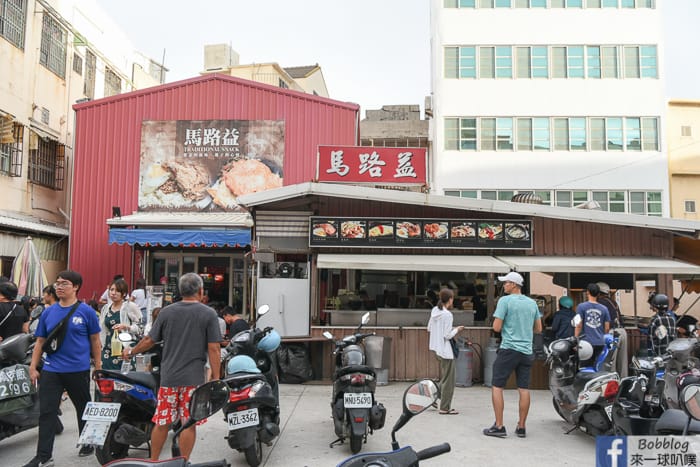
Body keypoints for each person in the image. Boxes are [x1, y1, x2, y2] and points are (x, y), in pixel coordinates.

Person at [122, 272, 221, 461]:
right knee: (188, 422)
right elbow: (214, 348)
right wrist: (216, 378)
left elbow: (150, 340)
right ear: (201, 291)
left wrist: (132, 351)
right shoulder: (208, 313)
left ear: (180, 291)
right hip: (193, 380)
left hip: (169, 378)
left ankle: (153, 461)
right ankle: (182, 462)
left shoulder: (166, 312)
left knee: (162, 421)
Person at [22, 270, 102, 467]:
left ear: (75, 287)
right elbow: (40, 342)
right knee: (47, 412)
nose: (59, 286)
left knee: (83, 408)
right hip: (52, 370)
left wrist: (98, 367)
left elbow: (95, 340)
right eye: (57, 283)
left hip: (78, 370)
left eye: (64, 283)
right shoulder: (48, 311)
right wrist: (33, 367)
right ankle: (43, 456)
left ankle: (88, 442)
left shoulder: (87, 312)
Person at [483, 272, 542, 438]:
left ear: (514, 284)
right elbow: (538, 329)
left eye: (506, 283)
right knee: (523, 388)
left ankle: (499, 426)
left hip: (509, 349)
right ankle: (521, 427)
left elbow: (496, 327)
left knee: (497, 386)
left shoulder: (504, 301)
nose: (504, 285)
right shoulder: (532, 304)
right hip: (526, 351)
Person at [427, 288, 464, 415]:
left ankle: (432, 398)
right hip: (446, 351)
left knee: (445, 377)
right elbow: (447, 335)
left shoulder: (435, 311)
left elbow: (429, 328)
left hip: (436, 348)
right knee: (449, 380)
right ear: (450, 299)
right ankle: (444, 407)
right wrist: (457, 330)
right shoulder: (447, 315)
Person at [99, 278, 142, 370]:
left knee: (125, 380)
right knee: (106, 379)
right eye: (111, 290)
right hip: (108, 350)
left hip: (125, 349)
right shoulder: (106, 308)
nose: (113, 293)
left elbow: (140, 328)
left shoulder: (130, 306)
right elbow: (101, 329)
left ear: (124, 294)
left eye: (117, 291)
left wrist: (126, 327)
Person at [574, 283, 611, 367]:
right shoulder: (604, 309)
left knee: (585, 368)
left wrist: (575, 340)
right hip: (600, 342)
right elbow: (607, 328)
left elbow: (578, 325)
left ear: (587, 292)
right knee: (598, 367)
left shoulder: (581, 307)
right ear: (598, 294)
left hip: (586, 343)